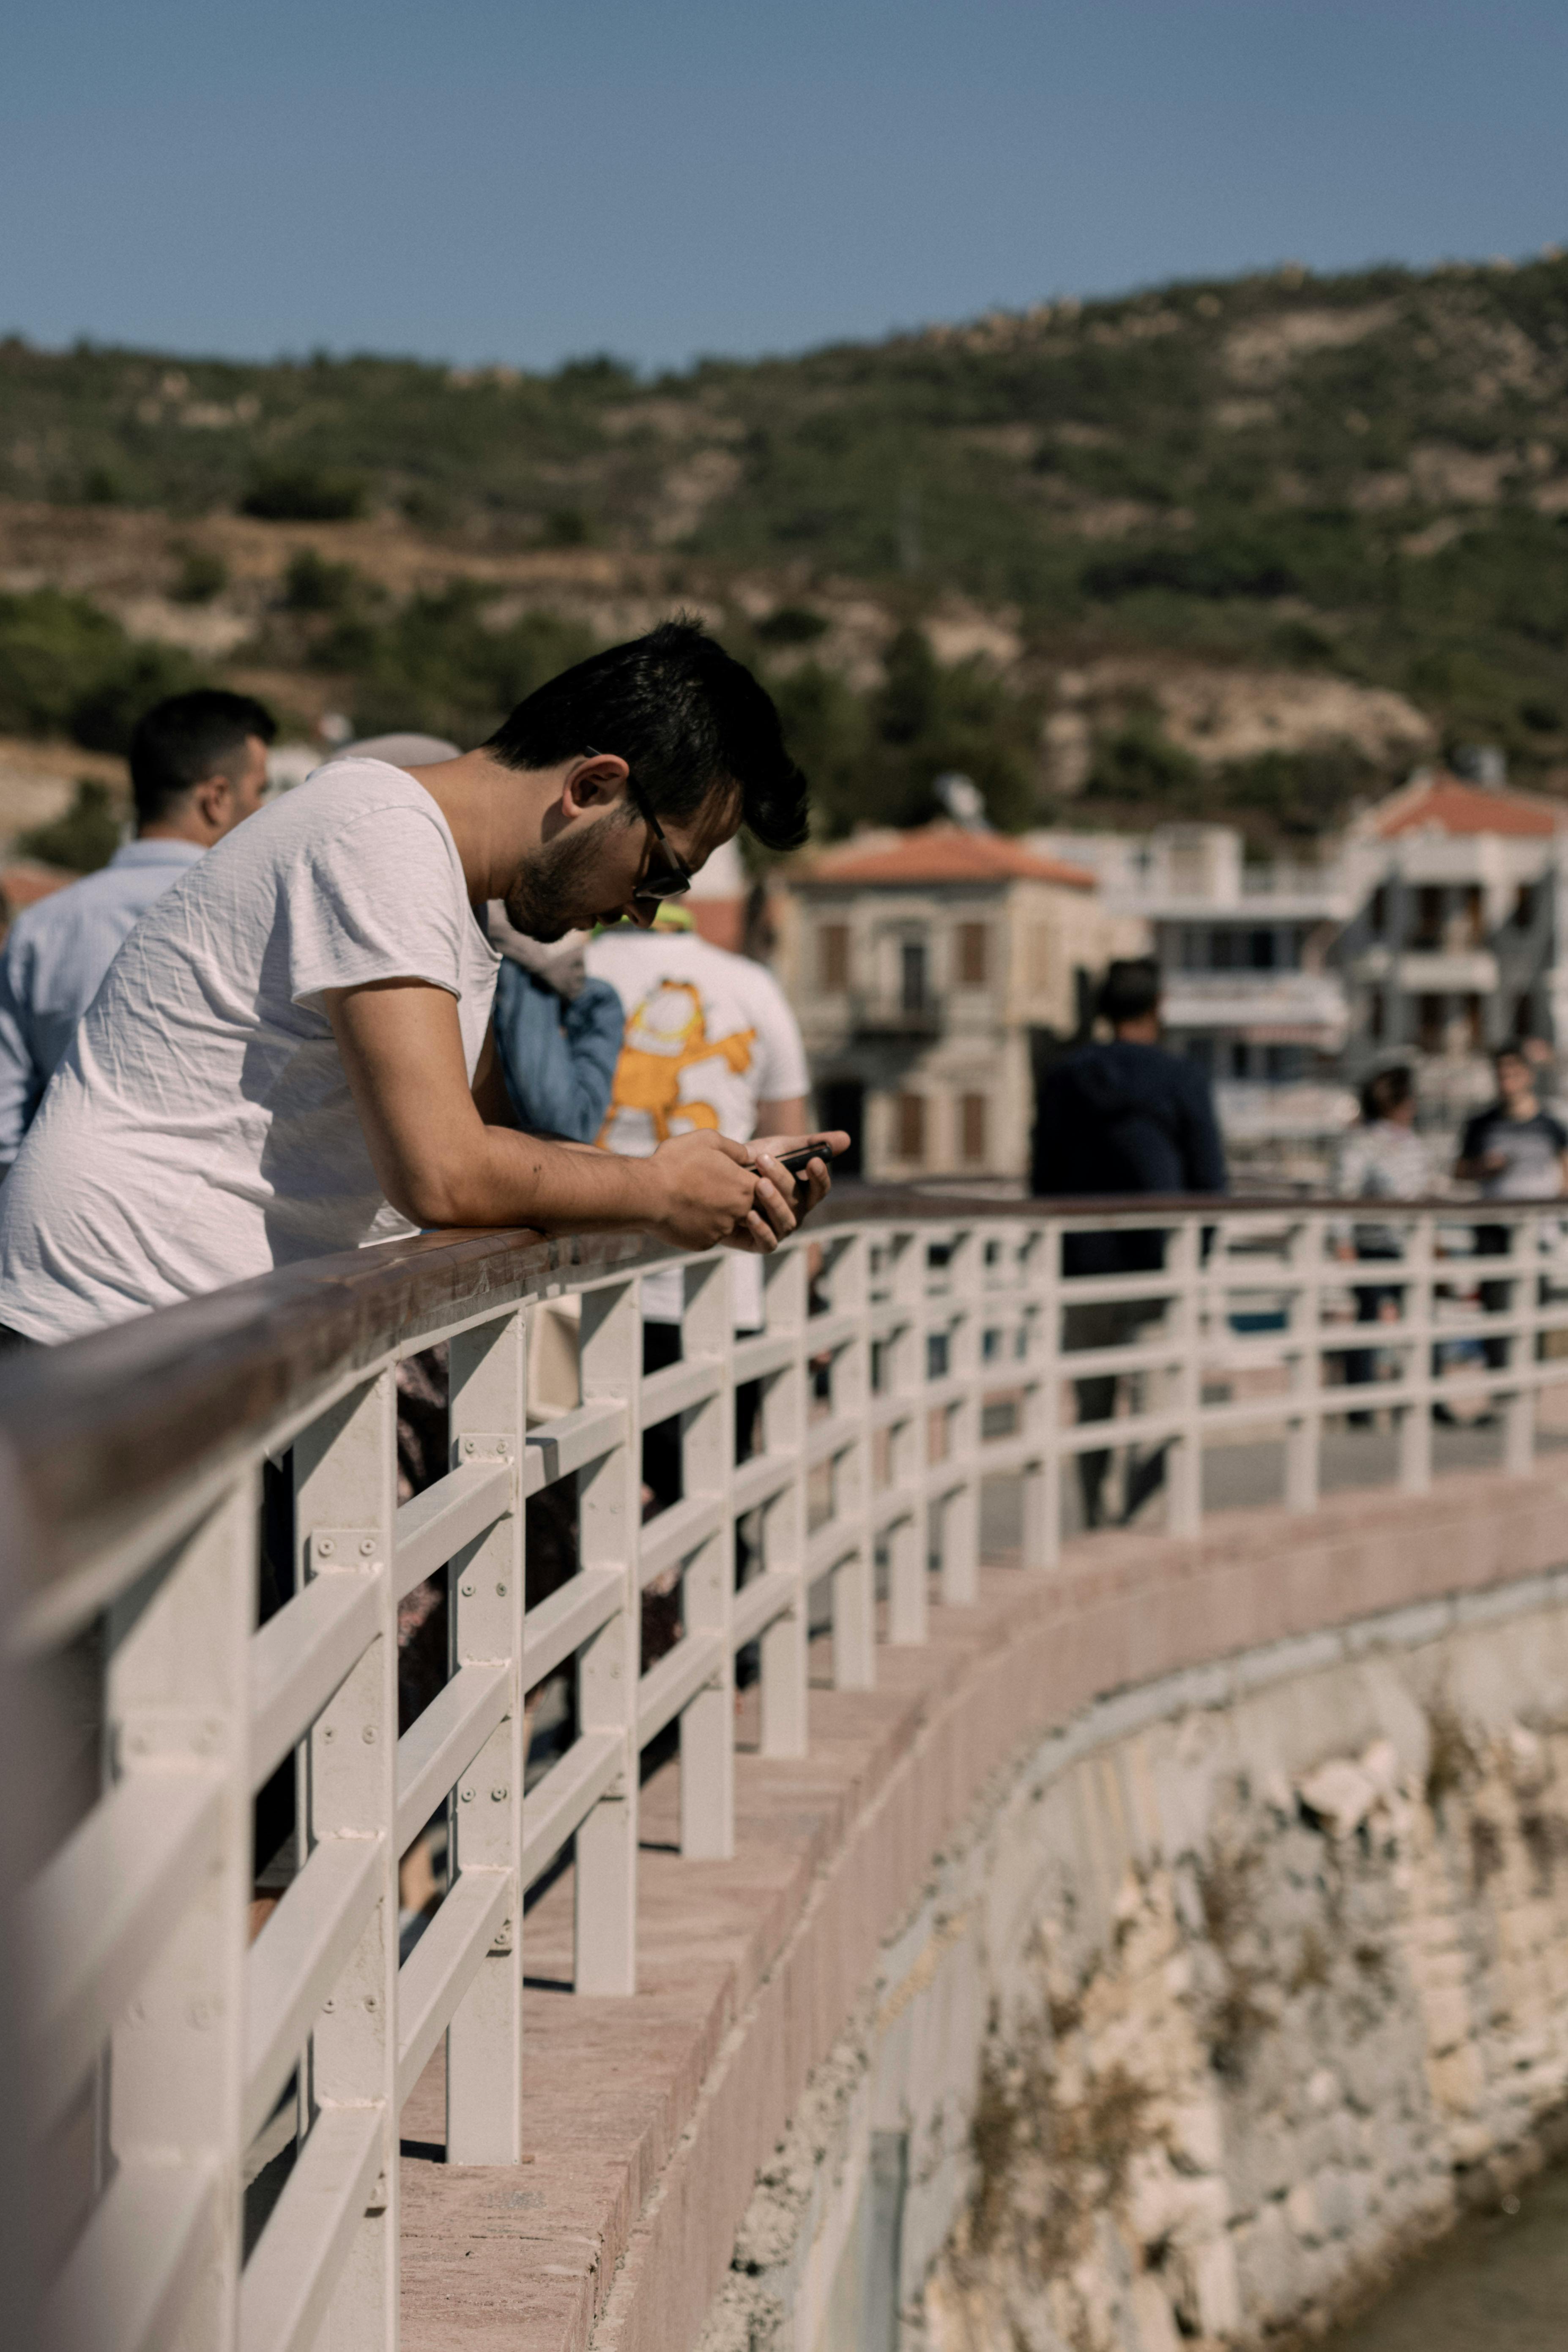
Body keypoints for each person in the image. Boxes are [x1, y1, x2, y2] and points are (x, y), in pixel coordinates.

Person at [0, 621, 845, 1348]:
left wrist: (717, 1180)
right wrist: (658, 1191)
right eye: (660, 874)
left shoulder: (436, 879)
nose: (642, 914)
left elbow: (494, 1142)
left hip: (176, 1330)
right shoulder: (384, 837)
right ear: (593, 788)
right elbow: (446, 1174)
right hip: (104, 1331)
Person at [586, 900, 813, 1521]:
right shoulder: (751, 986)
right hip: (720, 1290)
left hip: (582, 1292)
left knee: (593, 1509)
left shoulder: (574, 967)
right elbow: (788, 1146)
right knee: (712, 1506)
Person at [0, 689, 274, 1172]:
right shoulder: (266, 918)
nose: (266, 811)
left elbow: (5, 1120)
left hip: (60, 1219)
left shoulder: (41, 928)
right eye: (260, 792)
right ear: (216, 799)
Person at [1032, 957, 1227, 1527]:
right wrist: (1196, 1255)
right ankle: (1139, 1526)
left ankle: (1096, 1518)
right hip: (1157, 1262)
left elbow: (1044, 1177)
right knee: (1156, 1406)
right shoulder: (1181, 1078)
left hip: (1083, 1264)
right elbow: (1210, 1181)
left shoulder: (1065, 1077)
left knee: (1093, 1407)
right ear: (1158, 1007)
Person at [1454, 1039, 1568, 1371]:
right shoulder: (1481, 1124)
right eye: (1500, 1073)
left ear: (1527, 1076)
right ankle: (1499, 1387)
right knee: (1496, 1310)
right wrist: (1484, 1168)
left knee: (1533, 1308)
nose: (1506, 1080)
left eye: (1513, 1073)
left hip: (1538, 1229)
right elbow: (1459, 1171)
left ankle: (1525, 1386)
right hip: (1493, 1226)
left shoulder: (1551, 1126)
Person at [1331, 1065, 1431, 1414]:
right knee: (1369, 1320)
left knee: (1421, 1317)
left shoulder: (1412, 1143)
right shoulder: (1361, 1141)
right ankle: (1360, 1405)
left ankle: (1424, 1399)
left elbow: (1421, 1195)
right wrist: (1343, 1243)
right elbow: (1344, 1195)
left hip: (1410, 1244)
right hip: (1372, 1243)